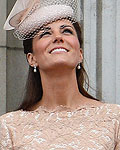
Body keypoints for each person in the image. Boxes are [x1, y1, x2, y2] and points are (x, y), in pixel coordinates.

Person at [0, 0, 120, 149]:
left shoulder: (115, 118)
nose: (58, 37)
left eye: (67, 31)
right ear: (32, 58)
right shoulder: (8, 127)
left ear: (80, 54)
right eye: (45, 33)